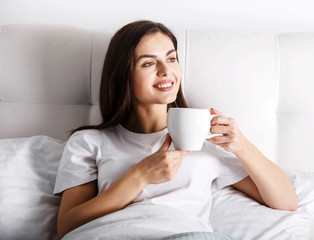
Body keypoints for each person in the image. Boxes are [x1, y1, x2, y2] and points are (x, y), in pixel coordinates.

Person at [53, 20, 298, 239]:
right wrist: (140, 175)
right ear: (123, 75)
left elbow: (286, 201)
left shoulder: (205, 138)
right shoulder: (89, 141)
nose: (166, 70)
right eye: (149, 63)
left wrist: (242, 146)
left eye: (171, 59)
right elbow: (67, 226)